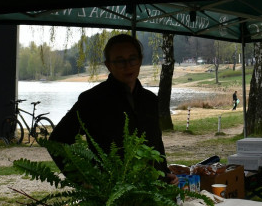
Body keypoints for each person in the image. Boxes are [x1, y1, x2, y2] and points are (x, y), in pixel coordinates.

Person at [50, 34, 176, 183]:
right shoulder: (92, 100)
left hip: (153, 194)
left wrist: (164, 172)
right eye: (120, 61)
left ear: (140, 60)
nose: (128, 66)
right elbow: (57, 141)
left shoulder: (151, 100)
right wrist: (83, 178)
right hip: (110, 195)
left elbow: (156, 143)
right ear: (109, 65)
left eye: (132, 59)